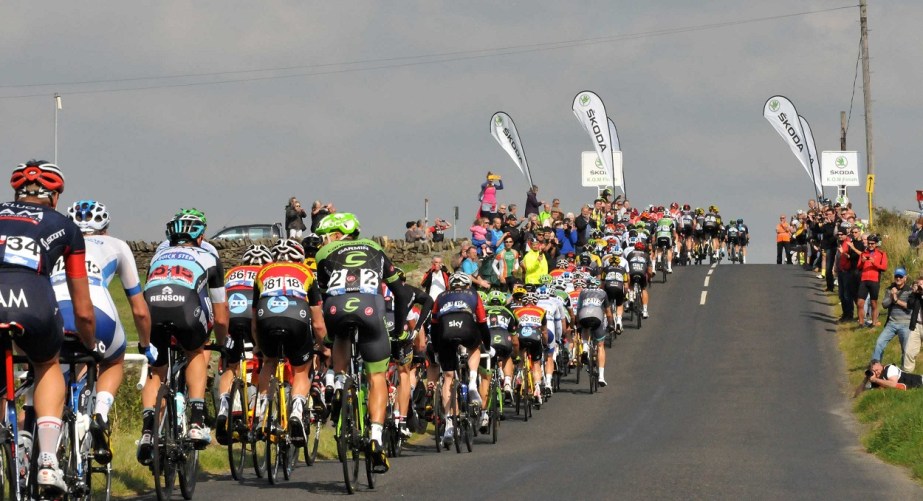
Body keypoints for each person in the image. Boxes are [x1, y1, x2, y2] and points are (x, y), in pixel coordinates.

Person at [1, 160, 95, 492]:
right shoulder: (66, 226)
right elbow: (82, 308)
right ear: (54, 197)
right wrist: (89, 342)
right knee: (47, 364)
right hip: (33, 297)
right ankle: (48, 463)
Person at [314, 212, 414, 474]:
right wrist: (401, 330)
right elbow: (401, 294)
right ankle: (376, 437)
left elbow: (324, 296)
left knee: (339, 335)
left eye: (326, 236)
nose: (324, 241)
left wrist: (326, 335)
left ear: (338, 235)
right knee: (376, 377)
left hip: (336, 310)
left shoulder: (324, 254)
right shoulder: (375, 248)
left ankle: (337, 383)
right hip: (371, 310)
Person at [52, 200, 151, 465]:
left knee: (49, 368)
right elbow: (139, 309)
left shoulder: (56, 241)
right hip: (98, 314)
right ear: (104, 229)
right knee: (113, 360)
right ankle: (100, 413)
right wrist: (144, 344)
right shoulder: (117, 245)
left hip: (54, 313)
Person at [138, 209, 229, 463]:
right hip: (187, 310)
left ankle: (147, 431)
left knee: (156, 370)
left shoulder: (157, 256)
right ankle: (197, 421)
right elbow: (221, 314)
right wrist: (223, 344)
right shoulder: (209, 256)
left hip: (152, 309)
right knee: (195, 351)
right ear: (200, 237)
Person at [253, 239, 326, 444]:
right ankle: (296, 411)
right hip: (297, 317)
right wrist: (323, 347)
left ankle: (261, 412)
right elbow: (318, 322)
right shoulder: (306, 272)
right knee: (301, 370)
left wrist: (258, 344)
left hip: (266, 317)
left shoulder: (262, 272)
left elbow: (254, 319)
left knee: (269, 361)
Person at [215, 243, 273, 445]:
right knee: (265, 359)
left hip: (231, 316)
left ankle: (224, 406)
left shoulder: (232, 272)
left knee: (229, 366)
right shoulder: (267, 273)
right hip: (254, 316)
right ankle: (257, 411)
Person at [430, 273, 490, 447]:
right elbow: (482, 322)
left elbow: (434, 325)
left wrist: (436, 347)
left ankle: (449, 424)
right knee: (475, 346)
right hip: (466, 328)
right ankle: (472, 383)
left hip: (444, 331)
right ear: (466, 285)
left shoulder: (441, 297)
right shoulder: (473, 294)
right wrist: (487, 344)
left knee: (448, 376)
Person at [575, 277, 614, 387]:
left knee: (585, 328)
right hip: (597, 317)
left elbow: (578, 310)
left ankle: (586, 348)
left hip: (584, 315)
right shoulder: (603, 293)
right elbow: (608, 312)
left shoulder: (583, 292)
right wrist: (611, 324)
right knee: (601, 345)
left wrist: (578, 324)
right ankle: (601, 376)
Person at [870, 268, 914, 363]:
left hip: (905, 324)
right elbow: (884, 305)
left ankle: (904, 371)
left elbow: (910, 307)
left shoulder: (910, 291)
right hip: (891, 323)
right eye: (896, 276)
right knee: (879, 343)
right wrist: (891, 296)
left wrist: (896, 299)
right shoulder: (889, 289)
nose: (898, 278)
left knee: (905, 349)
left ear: (905, 278)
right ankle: (876, 367)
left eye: (900, 277)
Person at [857, 234, 888, 327]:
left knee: (873, 303)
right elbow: (858, 267)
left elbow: (884, 267)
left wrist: (874, 263)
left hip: (874, 281)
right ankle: (861, 323)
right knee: (860, 303)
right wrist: (862, 261)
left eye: (872, 244)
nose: (870, 245)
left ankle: (874, 323)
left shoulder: (882, 254)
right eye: (869, 243)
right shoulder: (863, 253)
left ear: (876, 244)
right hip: (864, 280)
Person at [900, 274, 923, 371]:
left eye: (922, 284)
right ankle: (907, 376)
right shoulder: (916, 295)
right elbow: (910, 305)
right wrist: (914, 293)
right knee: (909, 352)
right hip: (916, 325)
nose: (920, 286)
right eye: (919, 284)